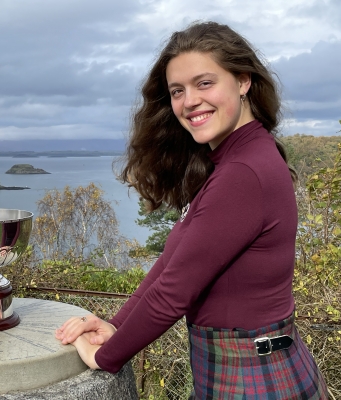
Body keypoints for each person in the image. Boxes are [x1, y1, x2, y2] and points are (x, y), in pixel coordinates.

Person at [55, 21, 328, 399]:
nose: (189, 102)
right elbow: (172, 264)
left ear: (243, 81)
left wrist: (106, 357)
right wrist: (115, 326)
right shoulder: (236, 161)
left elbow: (173, 293)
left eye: (205, 83)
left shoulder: (242, 174)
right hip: (248, 370)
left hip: (252, 381)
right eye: (177, 91)